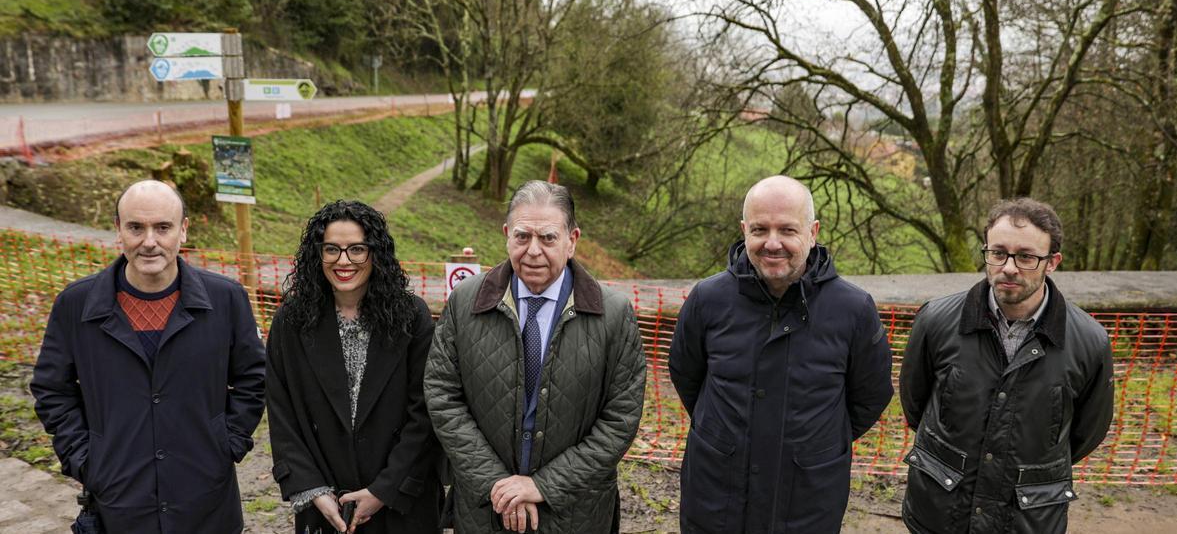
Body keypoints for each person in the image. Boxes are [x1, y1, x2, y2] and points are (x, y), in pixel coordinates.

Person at [31, 179, 266, 533]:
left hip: (206, 502)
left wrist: (226, 442)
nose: (150, 241)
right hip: (119, 503)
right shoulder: (76, 306)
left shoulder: (226, 300)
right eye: (136, 228)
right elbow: (51, 389)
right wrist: (86, 459)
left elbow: (254, 378)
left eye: (163, 227)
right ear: (118, 231)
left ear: (183, 230)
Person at [669, 175, 894, 533]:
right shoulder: (708, 299)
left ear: (813, 231)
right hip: (716, 493)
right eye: (760, 229)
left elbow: (871, 395)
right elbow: (687, 375)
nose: (772, 244)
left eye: (787, 230)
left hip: (807, 498)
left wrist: (814, 441)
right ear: (744, 230)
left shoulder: (853, 309)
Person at [425, 180, 646, 534]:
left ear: (572, 240)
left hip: (575, 513)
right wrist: (499, 485)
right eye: (522, 236)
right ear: (506, 235)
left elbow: (620, 419)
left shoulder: (614, 314)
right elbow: (442, 395)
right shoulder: (465, 302)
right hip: (485, 509)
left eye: (548, 238)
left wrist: (544, 486)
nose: (533, 251)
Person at [899, 198, 1114, 534]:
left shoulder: (1090, 342)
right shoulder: (936, 321)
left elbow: (1087, 431)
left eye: (1026, 256)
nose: (1009, 267)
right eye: (998, 253)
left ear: (1052, 261)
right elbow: (916, 404)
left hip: (1026, 520)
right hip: (941, 512)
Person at [266, 200, 442, 534]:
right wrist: (313, 489)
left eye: (357, 249)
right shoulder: (291, 320)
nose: (343, 261)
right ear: (317, 254)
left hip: (401, 503)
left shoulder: (411, 317)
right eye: (331, 249)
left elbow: (426, 411)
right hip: (327, 504)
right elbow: (281, 409)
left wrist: (383, 490)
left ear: (376, 253)